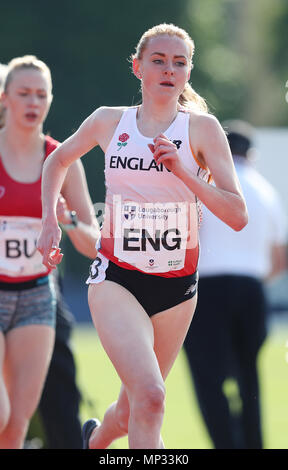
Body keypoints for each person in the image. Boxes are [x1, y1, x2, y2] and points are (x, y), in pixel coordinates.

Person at [37, 23, 248, 450]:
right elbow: (56, 160)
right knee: (152, 397)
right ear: (138, 68)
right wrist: (48, 222)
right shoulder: (108, 122)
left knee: (135, 408)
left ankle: (94, 442)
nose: (169, 70)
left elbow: (237, 214)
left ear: (188, 73)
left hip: (177, 288)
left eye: (179, 63)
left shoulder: (203, 131)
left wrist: (185, 173)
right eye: (158, 60)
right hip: (117, 278)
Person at [0, 55, 100, 449]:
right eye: (24, 93)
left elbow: (95, 244)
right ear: (5, 97)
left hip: (37, 296)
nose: (33, 102)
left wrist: (69, 221)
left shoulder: (62, 159)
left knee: (16, 426)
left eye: (41, 95)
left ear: (50, 100)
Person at [183, 120, 288, 449]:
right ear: (251, 154)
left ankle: (226, 443)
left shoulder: (204, 185)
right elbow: (279, 259)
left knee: (208, 378)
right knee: (248, 378)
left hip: (207, 290)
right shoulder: (266, 191)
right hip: (252, 290)